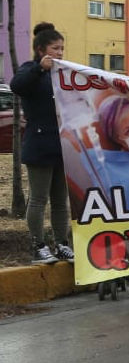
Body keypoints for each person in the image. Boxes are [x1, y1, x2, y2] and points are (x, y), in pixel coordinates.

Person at [11, 23, 73, 264]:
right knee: (38, 199)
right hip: (39, 146)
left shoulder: (63, 73)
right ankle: (38, 245)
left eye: (62, 48)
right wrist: (39, 69)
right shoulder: (31, 70)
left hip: (63, 146)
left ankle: (62, 244)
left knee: (60, 201)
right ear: (40, 50)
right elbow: (17, 86)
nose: (60, 53)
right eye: (55, 48)